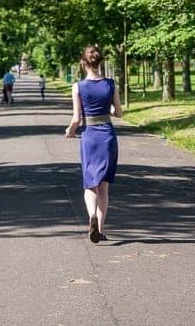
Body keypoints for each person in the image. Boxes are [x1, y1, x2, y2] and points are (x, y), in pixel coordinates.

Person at [65, 45, 123, 243]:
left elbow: (76, 118)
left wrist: (70, 131)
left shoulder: (78, 87)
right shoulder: (110, 84)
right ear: (100, 62)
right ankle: (100, 227)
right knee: (104, 187)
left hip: (89, 137)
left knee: (90, 184)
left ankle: (91, 216)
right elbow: (119, 113)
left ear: (83, 63)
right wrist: (107, 110)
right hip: (107, 135)